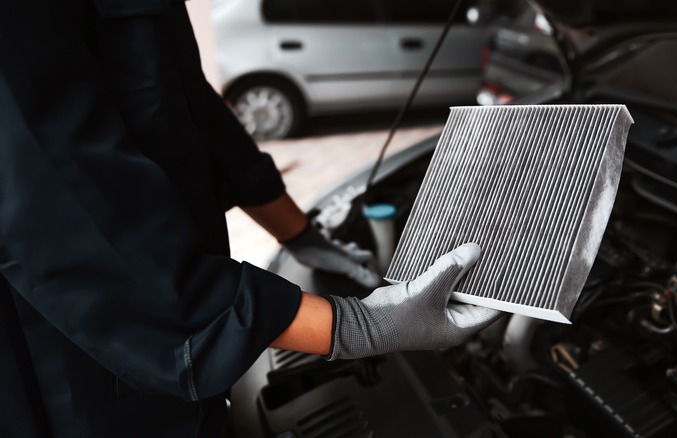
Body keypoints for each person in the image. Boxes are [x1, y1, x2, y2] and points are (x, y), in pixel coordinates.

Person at [0, 1, 501, 436]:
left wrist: (301, 234)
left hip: (173, 357)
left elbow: (182, 105)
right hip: (85, 372)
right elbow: (62, 203)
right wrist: (356, 327)